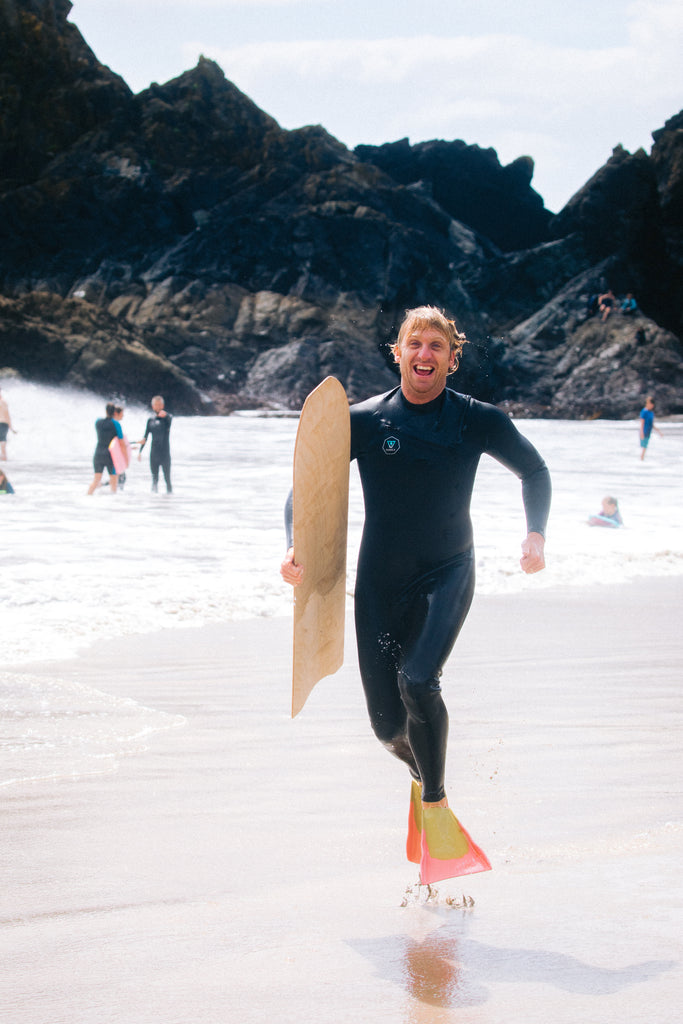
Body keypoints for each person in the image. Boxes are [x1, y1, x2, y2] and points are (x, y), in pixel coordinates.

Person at [280, 306, 551, 875]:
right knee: (385, 726)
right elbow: (306, 489)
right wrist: (295, 546)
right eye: (414, 343)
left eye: (436, 345)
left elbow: (534, 470)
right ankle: (419, 776)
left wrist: (534, 535)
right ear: (396, 353)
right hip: (379, 582)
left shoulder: (479, 420)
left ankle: (436, 803)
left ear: (453, 359)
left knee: (419, 680)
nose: (424, 354)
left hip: (448, 570)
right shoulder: (363, 420)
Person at [138, 395, 173, 492]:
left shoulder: (167, 419)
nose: (157, 407)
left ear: (163, 406)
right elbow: (145, 437)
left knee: (167, 479)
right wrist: (140, 451)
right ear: (152, 406)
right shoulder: (150, 420)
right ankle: (154, 501)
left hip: (165, 454)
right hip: (154, 454)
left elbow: (170, 418)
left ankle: (169, 500)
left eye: (159, 405)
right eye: (155, 405)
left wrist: (165, 415)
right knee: (154, 480)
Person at [87, 402, 123, 494]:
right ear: (115, 412)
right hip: (110, 455)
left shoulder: (98, 422)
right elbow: (121, 442)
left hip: (98, 453)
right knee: (114, 482)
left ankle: (87, 497)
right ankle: (113, 504)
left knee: (96, 481)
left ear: (106, 411)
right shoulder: (116, 424)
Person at [114, 405, 132, 490]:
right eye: (122, 414)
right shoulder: (116, 424)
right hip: (116, 455)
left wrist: (129, 446)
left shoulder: (111, 423)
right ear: (116, 413)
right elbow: (119, 443)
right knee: (121, 477)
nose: (123, 416)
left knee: (118, 477)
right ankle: (117, 496)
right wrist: (126, 459)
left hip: (114, 453)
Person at [639, 396, 663, 460]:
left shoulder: (651, 413)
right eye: (649, 403)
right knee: (643, 447)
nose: (651, 405)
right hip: (644, 431)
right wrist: (641, 433)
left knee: (645, 447)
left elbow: (652, 424)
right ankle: (641, 460)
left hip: (648, 432)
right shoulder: (644, 411)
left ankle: (642, 460)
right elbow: (642, 423)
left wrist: (659, 431)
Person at [0, 387, 17, 460]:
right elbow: (7, 415)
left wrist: (11, 427)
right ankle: (4, 458)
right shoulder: (3, 402)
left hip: (3, 424)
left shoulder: (3, 402)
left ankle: (4, 458)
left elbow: (7, 415)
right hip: (4, 424)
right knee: (3, 442)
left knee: (2, 442)